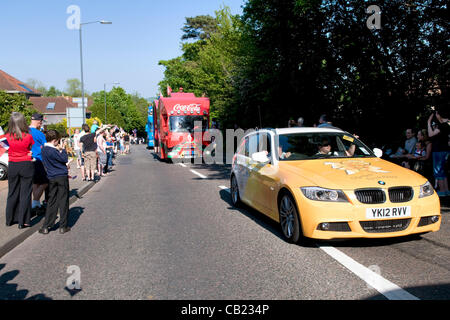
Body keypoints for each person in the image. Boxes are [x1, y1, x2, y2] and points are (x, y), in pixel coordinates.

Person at [3, 112, 34, 229]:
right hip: (26, 164)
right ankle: (23, 221)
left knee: (12, 192)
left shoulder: (5, 137)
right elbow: (30, 149)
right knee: (25, 193)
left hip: (13, 165)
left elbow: (3, 150)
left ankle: (9, 219)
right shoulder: (28, 136)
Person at [39, 130, 71, 234]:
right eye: (58, 140)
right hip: (61, 176)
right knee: (63, 201)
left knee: (51, 201)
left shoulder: (43, 149)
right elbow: (64, 159)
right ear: (54, 140)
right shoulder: (54, 150)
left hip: (51, 177)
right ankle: (63, 226)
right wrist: (63, 150)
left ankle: (46, 225)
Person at [427, 107, 450, 196]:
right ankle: (446, 190)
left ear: (439, 114)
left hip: (438, 150)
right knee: (443, 171)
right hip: (445, 150)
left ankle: (442, 191)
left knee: (438, 170)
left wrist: (428, 122)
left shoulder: (442, 126)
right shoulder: (447, 125)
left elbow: (430, 134)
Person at [29, 113, 48, 212]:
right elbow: (46, 147)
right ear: (39, 121)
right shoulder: (39, 133)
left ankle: (36, 203)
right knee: (45, 182)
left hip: (29, 160)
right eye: (41, 122)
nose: (41, 124)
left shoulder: (25, 131)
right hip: (39, 160)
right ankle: (35, 202)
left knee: (35, 183)